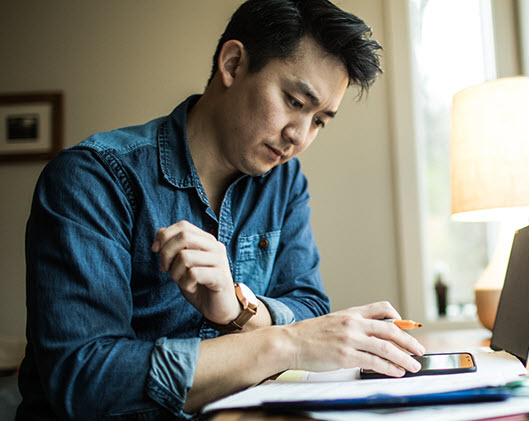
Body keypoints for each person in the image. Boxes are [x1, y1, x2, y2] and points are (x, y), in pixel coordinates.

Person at [16, 1, 425, 419]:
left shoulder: (284, 183)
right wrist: (284, 344)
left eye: (320, 120)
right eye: (295, 101)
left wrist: (238, 309)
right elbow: (87, 380)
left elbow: (308, 305)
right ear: (232, 64)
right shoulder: (93, 178)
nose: (298, 136)